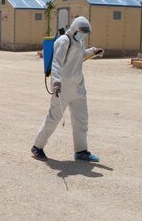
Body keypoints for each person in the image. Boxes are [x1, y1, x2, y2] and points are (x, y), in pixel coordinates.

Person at [31, 16, 104, 162]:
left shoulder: (80, 41)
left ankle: (81, 151)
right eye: (82, 31)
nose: (83, 34)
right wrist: (56, 82)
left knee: (82, 120)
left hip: (78, 88)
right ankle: (37, 147)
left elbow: (80, 57)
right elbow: (57, 63)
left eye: (85, 32)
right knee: (54, 118)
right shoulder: (63, 41)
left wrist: (93, 51)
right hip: (63, 88)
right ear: (75, 28)